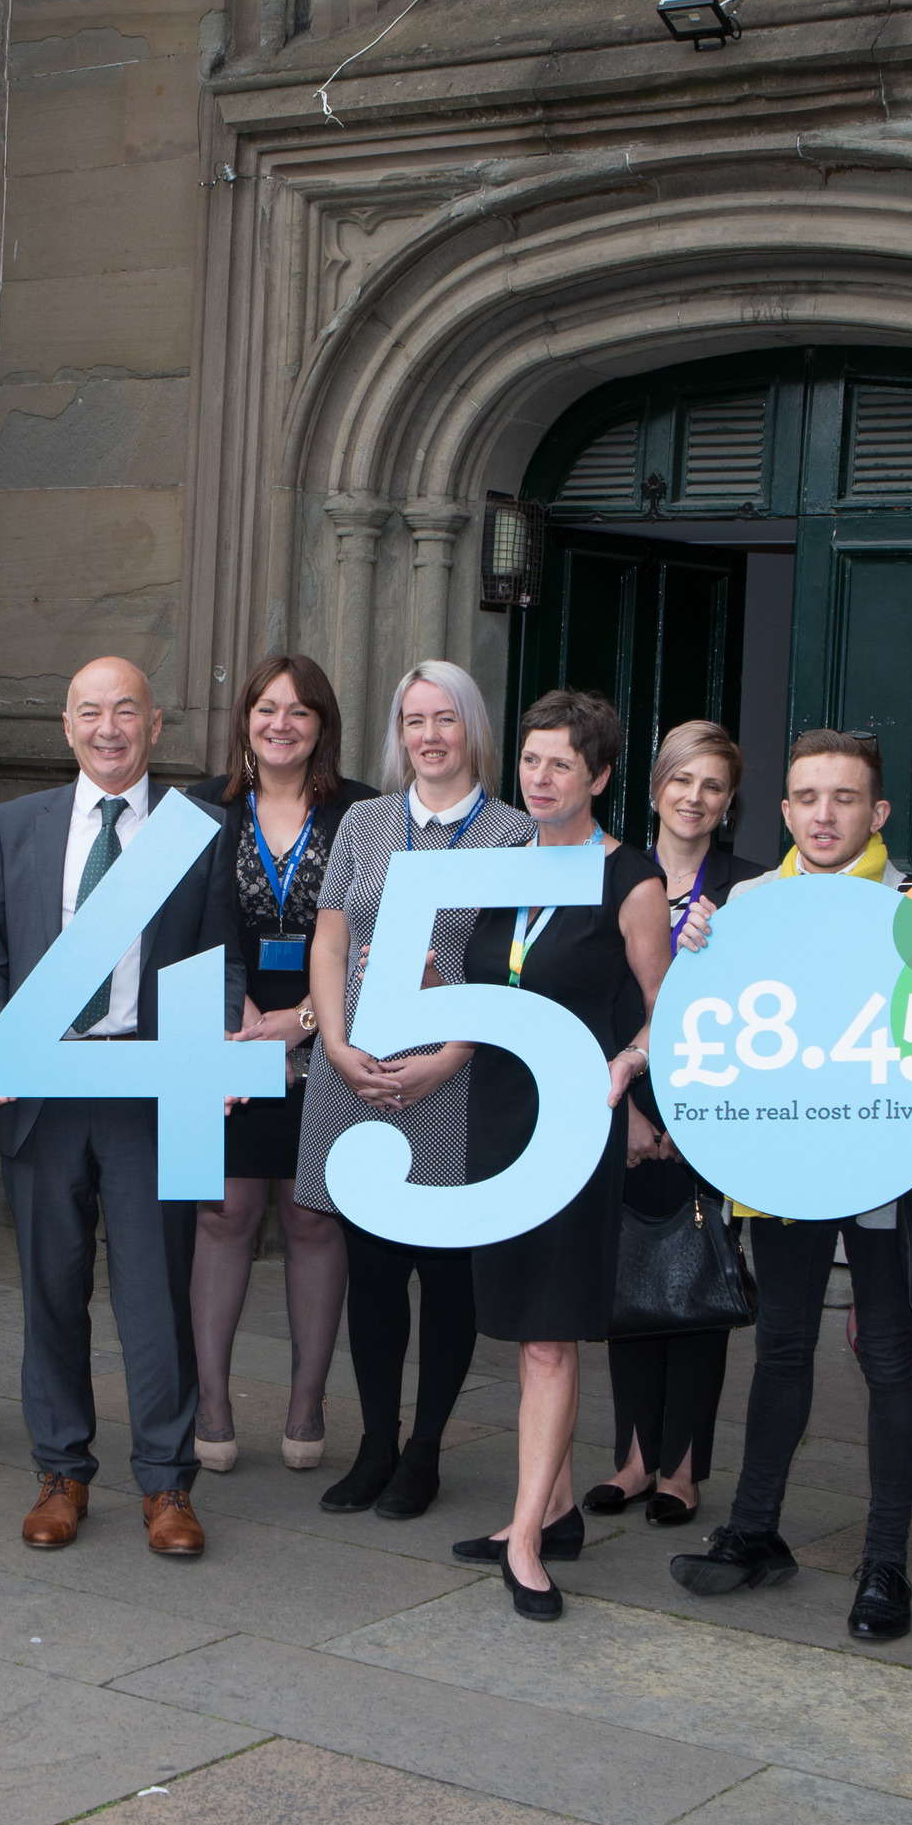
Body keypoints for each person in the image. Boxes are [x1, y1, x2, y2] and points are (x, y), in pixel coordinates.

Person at [0, 656, 240, 1560]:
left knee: (155, 1296)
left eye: (127, 710)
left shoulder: (198, 829)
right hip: (42, 1091)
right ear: (66, 725)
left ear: (157, 726)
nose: (109, 727)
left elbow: (219, 954)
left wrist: (223, 1044)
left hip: (149, 1092)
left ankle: (166, 1484)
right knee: (48, 1288)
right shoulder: (17, 825)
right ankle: (61, 1473)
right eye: (90, 711)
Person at [671, 729, 912, 1640]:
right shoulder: (743, 903)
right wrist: (698, 949)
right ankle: (754, 1530)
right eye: (808, 798)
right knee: (781, 1342)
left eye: (845, 798)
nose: (825, 815)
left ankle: (887, 1562)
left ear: (877, 813)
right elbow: (709, 1025)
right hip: (782, 1154)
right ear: (782, 812)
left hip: (884, 1156)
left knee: (888, 1351)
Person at [446, 691, 669, 1620]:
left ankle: (527, 1537)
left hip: (576, 1124)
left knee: (548, 1334)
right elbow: (481, 987)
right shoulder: (498, 865)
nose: (539, 779)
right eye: (531, 762)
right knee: (520, 1324)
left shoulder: (633, 879)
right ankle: (561, 1504)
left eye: (560, 766)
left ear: (601, 777)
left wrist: (630, 1060)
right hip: (497, 1115)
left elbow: (669, 1010)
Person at [298, 660, 535, 1520]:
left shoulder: (513, 836)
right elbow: (329, 942)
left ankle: (426, 1450)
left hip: (455, 1082)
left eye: (445, 719)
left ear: (472, 728)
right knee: (371, 1271)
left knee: (444, 1275)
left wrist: (452, 1054)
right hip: (352, 1072)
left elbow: (516, 970)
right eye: (413, 721)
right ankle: (374, 1445)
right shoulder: (363, 822)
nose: (428, 737)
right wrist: (334, 1038)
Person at [172, 654, 377, 1474]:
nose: (281, 724)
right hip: (219, 1032)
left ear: (323, 724)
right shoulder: (195, 808)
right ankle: (213, 1403)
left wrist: (301, 1020)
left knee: (312, 1215)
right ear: (244, 719)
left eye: (299, 711)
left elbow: (378, 939)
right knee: (220, 1213)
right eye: (266, 708)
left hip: (329, 1035)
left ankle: (305, 1400)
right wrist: (234, 1013)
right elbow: (174, 926)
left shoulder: (364, 813)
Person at [593, 720, 766, 1529]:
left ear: (728, 803)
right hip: (620, 1099)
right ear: (656, 786)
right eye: (682, 780)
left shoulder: (751, 887)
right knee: (627, 1274)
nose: (694, 798)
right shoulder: (614, 872)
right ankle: (632, 1458)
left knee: (699, 1278)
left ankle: (685, 1470)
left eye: (713, 786)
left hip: (716, 1109)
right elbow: (588, 995)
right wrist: (623, 1106)